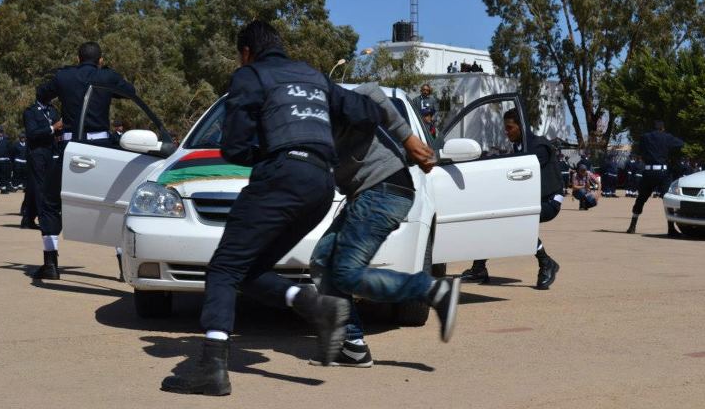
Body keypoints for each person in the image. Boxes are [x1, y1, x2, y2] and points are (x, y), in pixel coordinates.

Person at [161, 21, 384, 396]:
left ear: (247, 52)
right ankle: (312, 304)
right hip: (320, 184)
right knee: (247, 271)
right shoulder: (312, 76)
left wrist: (268, 154)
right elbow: (368, 112)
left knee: (223, 268)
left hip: (282, 178)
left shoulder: (250, 76)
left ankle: (212, 368)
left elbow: (234, 146)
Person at [309, 82, 459, 367]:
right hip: (365, 195)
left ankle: (431, 290)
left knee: (346, 272)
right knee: (323, 260)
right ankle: (352, 345)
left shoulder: (320, 102)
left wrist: (409, 140)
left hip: (383, 190)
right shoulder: (296, 127)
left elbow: (372, 93)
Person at [32, 41, 136, 280]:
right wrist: (106, 83)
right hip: (103, 149)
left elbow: (41, 94)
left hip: (72, 148)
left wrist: (66, 81)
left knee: (49, 202)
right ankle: (124, 267)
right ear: (100, 60)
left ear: (78, 59)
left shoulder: (64, 77)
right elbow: (130, 92)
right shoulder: (106, 76)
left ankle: (50, 263)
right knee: (114, 203)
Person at [462, 108, 563, 290]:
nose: (506, 132)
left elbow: (523, 170)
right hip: (531, 200)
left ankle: (546, 263)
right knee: (491, 217)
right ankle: (479, 268)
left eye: (509, 128)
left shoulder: (539, 146)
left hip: (549, 201)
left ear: (521, 126)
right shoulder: (520, 146)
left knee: (513, 221)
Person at [626, 121, 683, 236]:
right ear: (663, 128)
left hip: (648, 171)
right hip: (662, 172)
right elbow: (680, 143)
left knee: (641, 199)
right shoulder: (667, 137)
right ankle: (671, 228)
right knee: (668, 199)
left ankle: (632, 225)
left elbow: (640, 150)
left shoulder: (645, 137)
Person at [23, 99, 61, 231]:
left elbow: (57, 131)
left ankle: (28, 218)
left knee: (38, 186)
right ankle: (44, 219)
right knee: (41, 186)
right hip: (36, 151)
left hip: (49, 150)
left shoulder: (52, 110)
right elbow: (32, 133)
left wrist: (61, 128)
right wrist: (53, 127)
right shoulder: (30, 111)